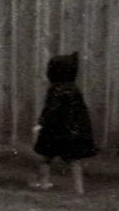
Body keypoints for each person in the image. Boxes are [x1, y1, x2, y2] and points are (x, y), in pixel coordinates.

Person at [31, 50, 94, 194]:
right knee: (74, 161)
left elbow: (50, 110)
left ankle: (44, 183)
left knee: (44, 158)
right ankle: (79, 188)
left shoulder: (55, 90)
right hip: (73, 132)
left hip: (55, 131)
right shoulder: (74, 90)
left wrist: (41, 123)